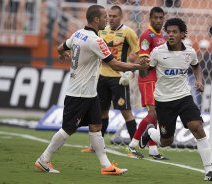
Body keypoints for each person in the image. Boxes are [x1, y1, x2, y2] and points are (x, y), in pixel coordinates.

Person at [34, 4, 147, 175]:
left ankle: (106, 166)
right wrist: (137, 66)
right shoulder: (96, 40)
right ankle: (43, 159)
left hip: (89, 93)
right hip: (79, 93)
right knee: (68, 129)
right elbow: (114, 64)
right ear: (96, 19)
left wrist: (63, 54)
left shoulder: (77, 33)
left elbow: (60, 48)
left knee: (96, 126)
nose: (107, 20)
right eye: (104, 17)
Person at [139, 18, 212, 181]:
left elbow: (196, 65)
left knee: (197, 127)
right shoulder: (157, 52)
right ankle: (150, 131)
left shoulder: (190, 52)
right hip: (163, 101)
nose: (170, 35)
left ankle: (209, 171)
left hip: (184, 97)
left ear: (182, 34)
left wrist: (199, 80)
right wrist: (141, 66)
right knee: (166, 142)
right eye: (168, 32)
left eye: (174, 32)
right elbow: (145, 72)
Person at [80, 5, 139, 153]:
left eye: (114, 16)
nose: (111, 19)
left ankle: (134, 147)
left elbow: (138, 53)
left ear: (121, 17)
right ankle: (96, 146)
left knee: (126, 112)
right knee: (101, 112)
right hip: (102, 77)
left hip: (119, 79)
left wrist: (129, 72)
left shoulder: (128, 33)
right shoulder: (101, 31)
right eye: (109, 16)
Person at [127, 7, 168, 160]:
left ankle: (153, 150)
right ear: (150, 18)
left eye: (160, 18)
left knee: (155, 114)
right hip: (148, 78)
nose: (158, 20)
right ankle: (133, 144)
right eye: (155, 18)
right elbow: (143, 58)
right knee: (153, 113)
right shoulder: (147, 35)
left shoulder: (162, 36)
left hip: (157, 78)